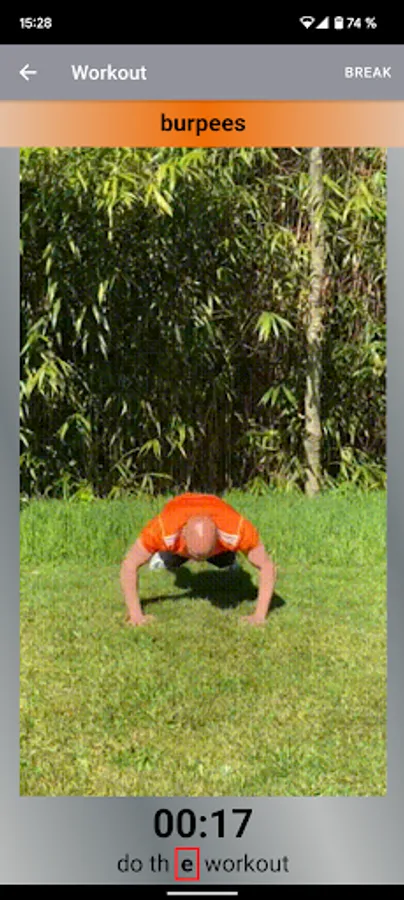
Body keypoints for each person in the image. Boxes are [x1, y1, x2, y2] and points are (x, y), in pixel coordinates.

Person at [120, 492, 276, 626]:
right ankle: (165, 556)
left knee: (225, 561)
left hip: (218, 542)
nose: (199, 562)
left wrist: (259, 615)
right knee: (172, 561)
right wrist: (135, 615)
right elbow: (129, 564)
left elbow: (267, 566)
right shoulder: (162, 528)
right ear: (182, 534)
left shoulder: (236, 528)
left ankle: (225, 557)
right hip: (179, 540)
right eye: (195, 556)